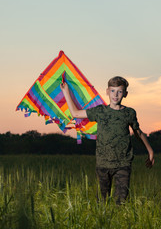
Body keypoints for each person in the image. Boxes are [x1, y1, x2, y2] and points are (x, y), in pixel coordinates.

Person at [61, 76, 154, 204]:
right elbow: (75, 114)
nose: (115, 95)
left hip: (123, 164)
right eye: (112, 91)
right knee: (102, 202)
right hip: (103, 164)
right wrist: (66, 91)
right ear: (107, 91)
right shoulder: (100, 111)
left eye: (119, 91)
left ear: (125, 94)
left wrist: (150, 151)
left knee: (121, 201)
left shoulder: (129, 113)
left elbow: (138, 132)